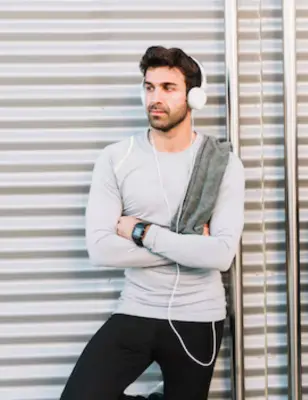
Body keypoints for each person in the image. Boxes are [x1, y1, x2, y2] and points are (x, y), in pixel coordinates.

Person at [60, 46, 245, 400]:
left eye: (168, 88)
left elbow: (221, 255)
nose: (155, 98)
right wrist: (190, 245)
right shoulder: (116, 158)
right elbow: (100, 249)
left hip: (198, 318)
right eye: (149, 87)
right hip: (137, 308)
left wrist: (141, 232)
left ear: (194, 96)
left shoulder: (223, 164)